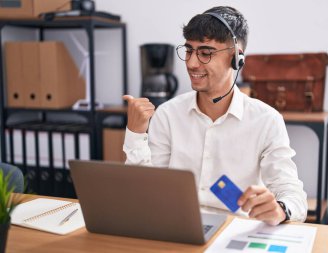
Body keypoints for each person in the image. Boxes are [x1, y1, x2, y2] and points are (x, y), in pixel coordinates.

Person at [123, 6, 307, 225]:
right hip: (176, 225)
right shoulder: (168, 115)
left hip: (235, 230)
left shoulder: (266, 120)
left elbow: (292, 193)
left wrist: (280, 209)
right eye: (189, 50)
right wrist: (135, 134)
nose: (191, 63)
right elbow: (146, 192)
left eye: (205, 53)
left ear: (236, 58)